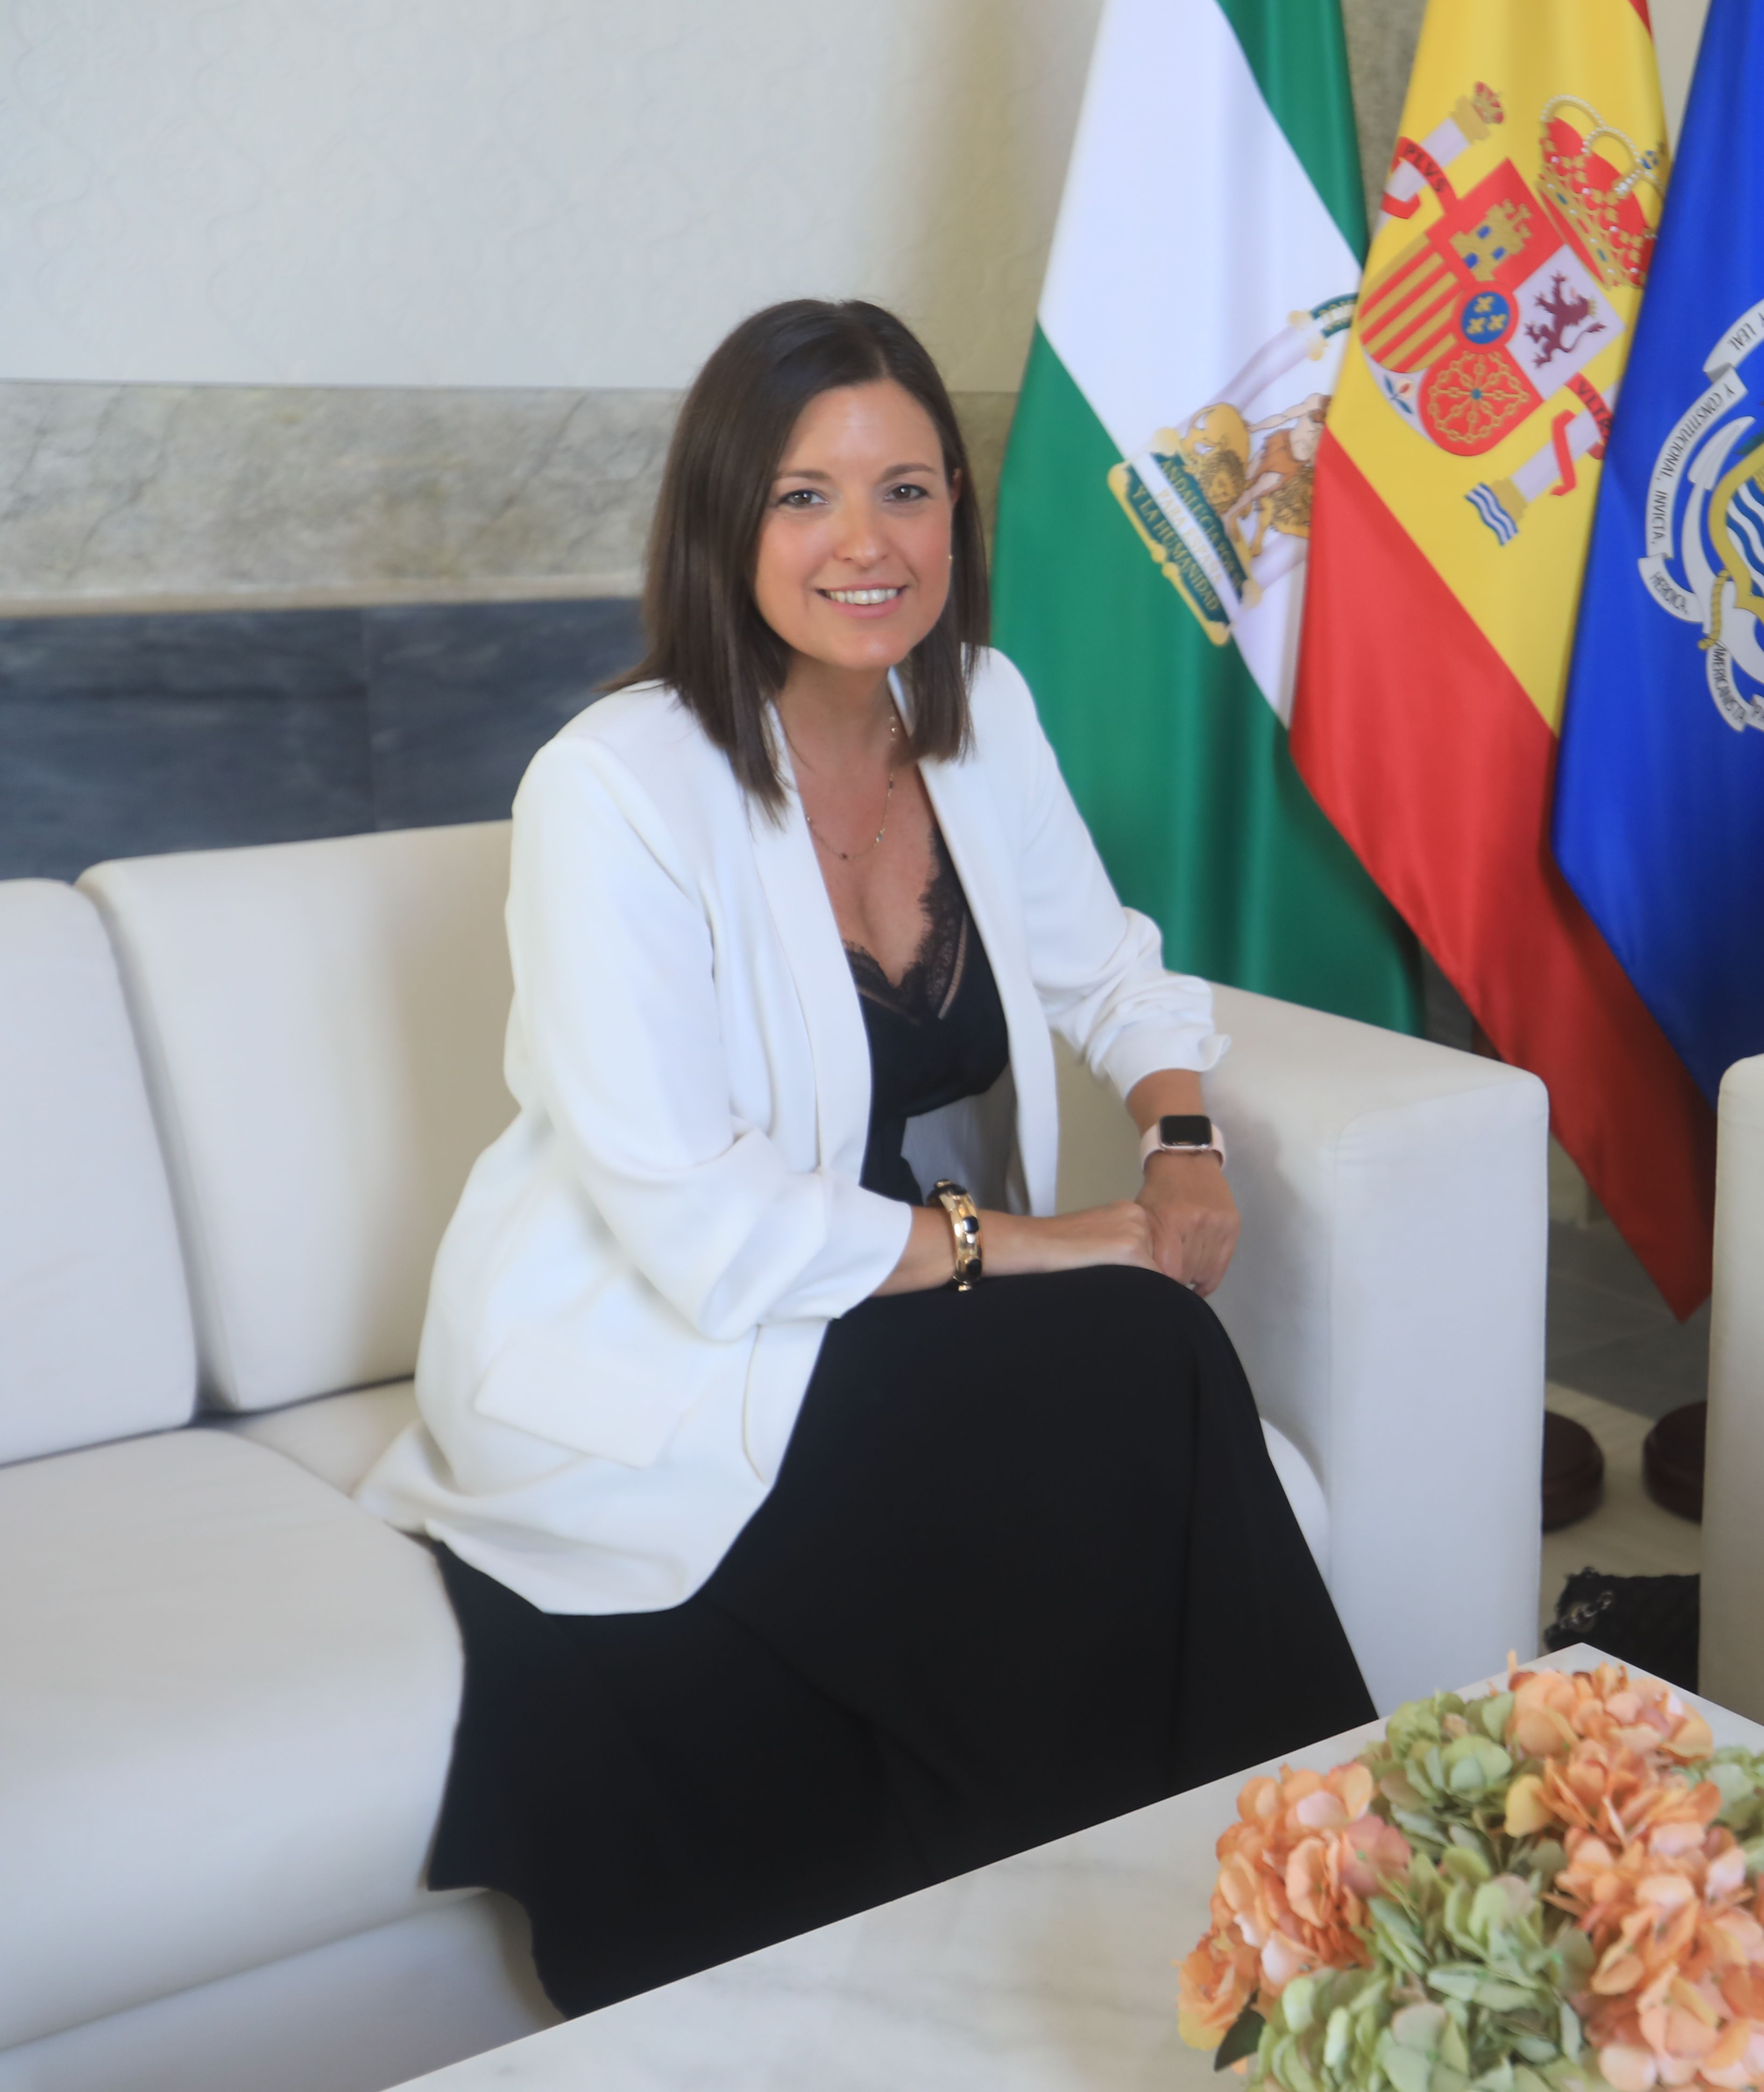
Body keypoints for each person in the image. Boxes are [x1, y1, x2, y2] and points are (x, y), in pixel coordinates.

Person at [360, 299, 1374, 2013]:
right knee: (1142, 1352)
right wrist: (1060, 1245)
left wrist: (1179, 1134)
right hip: (652, 1342)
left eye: (907, 491)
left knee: (1147, 1371)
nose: (866, 542)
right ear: (722, 524)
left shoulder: (972, 702)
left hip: (874, 1283)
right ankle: (1325, 1934)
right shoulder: (613, 790)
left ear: (957, 520)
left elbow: (1102, 962)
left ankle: (1281, 1929)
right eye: (805, 498)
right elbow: (699, 1228)